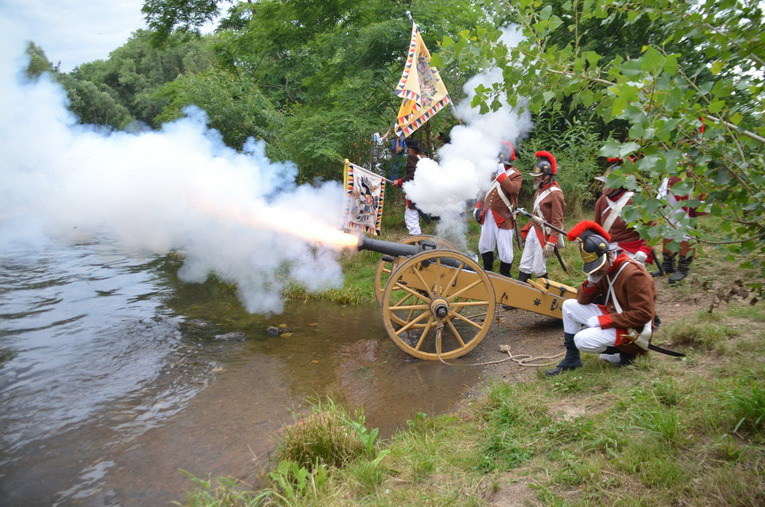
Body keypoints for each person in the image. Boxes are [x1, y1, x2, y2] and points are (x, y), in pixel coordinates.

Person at [546, 220, 657, 376]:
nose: (597, 270)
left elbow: (643, 314)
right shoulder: (605, 270)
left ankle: (626, 352)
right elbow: (582, 301)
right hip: (618, 318)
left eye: (599, 265)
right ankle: (572, 359)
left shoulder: (634, 274)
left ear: (609, 255)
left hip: (634, 331)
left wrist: (604, 321)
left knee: (582, 340)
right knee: (569, 305)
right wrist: (592, 282)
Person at [473, 140, 523, 277]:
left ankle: (505, 274)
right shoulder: (492, 173)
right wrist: (478, 207)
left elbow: (513, 189)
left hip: (504, 216)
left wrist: (502, 176)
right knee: (485, 244)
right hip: (488, 214)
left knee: (505, 247)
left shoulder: (516, 174)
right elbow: (483, 192)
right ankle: (487, 270)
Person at [593, 158, 653, 266]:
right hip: (606, 247)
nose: (602, 186)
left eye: (606, 183)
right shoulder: (602, 200)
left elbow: (652, 227)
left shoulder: (636, 200)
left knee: (629, 273)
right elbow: (597, 226)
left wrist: (644, 250)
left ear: (619, 184)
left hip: (630, 250)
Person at [518, 151, 565, 283]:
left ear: (546, 177)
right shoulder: (540, 190)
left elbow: (557, 221)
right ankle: (520, 292)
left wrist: (551, 242)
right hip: (534, 229)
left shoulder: (556, 194)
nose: (535, 178)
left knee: (539, 268)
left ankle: (543, 294)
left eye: (538, 176)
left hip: (544, 234)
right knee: (525, 264)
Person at [651, 175, 704, 283]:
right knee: (668, 227)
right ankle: (667, 264)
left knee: (685, 230)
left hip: (686, 191)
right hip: (670, 188)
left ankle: (683, 267)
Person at [392, 138, 426, 235]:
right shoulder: (424, 157)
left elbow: (413, 175)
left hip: (415, 190)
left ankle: (417, 238)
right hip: (426, 189)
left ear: (410, 149)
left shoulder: (412, 157)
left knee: (411, 215)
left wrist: (399, 181)